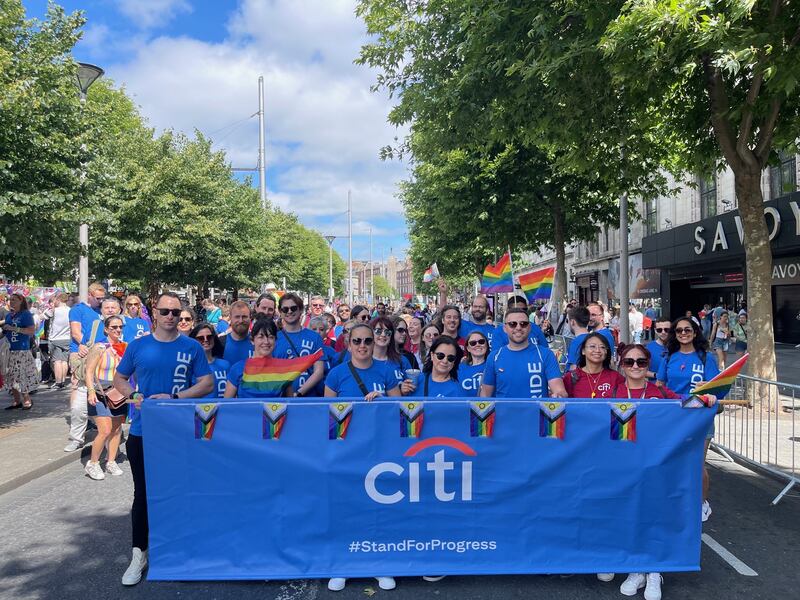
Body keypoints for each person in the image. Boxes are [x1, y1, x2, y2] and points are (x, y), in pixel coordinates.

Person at [113, 291, 213, 586]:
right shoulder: (138, 346)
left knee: (185, 490)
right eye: (166, 311)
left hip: (182, 433)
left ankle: (181, 550)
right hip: (144, 432)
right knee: (143, 495)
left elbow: (206, 383)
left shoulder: (192, 347)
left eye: (176, 313)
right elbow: (120, 378)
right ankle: (139, 554)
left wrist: (175, 397)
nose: (171, 317)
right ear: (153, 312)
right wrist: (133, 395)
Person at [613, 342, 714, 600]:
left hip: (656, 466)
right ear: (622, 365)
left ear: (649, 366)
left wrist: (707, 399)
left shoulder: (659, 390)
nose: (635, 366)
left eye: (641, 362)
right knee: (629, 516)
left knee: (654, 516)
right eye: (629, 362)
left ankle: (655, 570)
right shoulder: (613, 392)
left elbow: (687, 404)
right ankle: (636, 569)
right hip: (623, 467)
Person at [656, 317, 720, 523]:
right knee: (674, 462)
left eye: (688, 329)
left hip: (700, 418)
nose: (683, 333)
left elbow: (717, 389)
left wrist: (708, 386)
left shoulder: (706, 358)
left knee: (697, 464)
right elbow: (660, 385)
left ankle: (702, 504)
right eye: (679, 330)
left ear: (695, 332)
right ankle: (678, 500)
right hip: (675, 418)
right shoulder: (669, 357)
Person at [480, 308, 567, 398]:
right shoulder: (494, 357)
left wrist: (559, 395)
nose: (518, 328)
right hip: (504, 412)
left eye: (523, 324)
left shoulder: (545, 354)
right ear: (505, 328)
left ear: (529, 327)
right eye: (512, 324)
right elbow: (485, 395)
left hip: (536, 412)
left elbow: (559, 389)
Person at [83, 315, 128, 480]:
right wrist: (90, 391)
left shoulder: (124, 347)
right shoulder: (100, 347)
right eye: (113, 327)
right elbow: (88, 371)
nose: (117, 330)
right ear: (106, 329)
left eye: (120, 327)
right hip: (101, 392)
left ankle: (110, 461)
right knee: (105, 430)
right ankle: (93, 463)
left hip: (119, 393)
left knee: (116, 430)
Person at [65, 282, 107, 452]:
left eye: (103, 299)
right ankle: (76, 437)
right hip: (82, 354)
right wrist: (84, 344)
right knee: (79, 394)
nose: (101, 302)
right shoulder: (78, 309)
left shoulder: (103, 311)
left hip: (101, 355)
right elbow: (75, 331)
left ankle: (103, 431)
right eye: (98, 299)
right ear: (89, 295)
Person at [225, 317, 295, 398]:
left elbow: (290, 404)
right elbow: (226, 405)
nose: (266, 342)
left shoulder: (284, 370)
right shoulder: (238, 369)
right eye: (261, 337)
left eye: (271, 337)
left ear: (275, 340)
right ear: (252, 340)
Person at [273, 293, 324, 397]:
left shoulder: (315, 337)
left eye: (293, 308)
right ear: (280, 312)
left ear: (301, 310)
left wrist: (298, 393)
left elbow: (319, 371)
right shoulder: (274, 338)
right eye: (285, 309)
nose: (290, 312)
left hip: (309, 400)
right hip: (281, 401)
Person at [1, 293, 38, 410]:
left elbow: (31, 331)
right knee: (10, 376)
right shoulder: (9, 315)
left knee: (20, 376)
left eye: (14, 300)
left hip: (21, 350)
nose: (11, 302)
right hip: (9, 350)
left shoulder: (26, 314)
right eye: (10, 300)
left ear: (21, 301)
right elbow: (6, 332)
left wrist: (14, 328)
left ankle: (27, 400)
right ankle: (17, 401)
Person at [562, 333, 623, 399]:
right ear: (583, 351)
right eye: (592, 346)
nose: (597, 350)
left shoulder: (616, 378)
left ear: (606, 352)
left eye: (602, 347)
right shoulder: (570, 378)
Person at [189, 323, 229, 398]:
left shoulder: (225, 365)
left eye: (209, 337)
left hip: (222, 408)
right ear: (194, 340)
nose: (206, 340)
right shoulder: (190, 367)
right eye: (201, 338)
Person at [44, 292, 71, 389]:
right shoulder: (70, 310)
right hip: (67, 338)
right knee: (64, 361)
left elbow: (44, 316)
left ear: (58, 300)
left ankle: (58, 382)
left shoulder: (54, 310)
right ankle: (63, 380)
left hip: (55, 338)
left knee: (57, 361)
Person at [309, 315, 339, 396]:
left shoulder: (331, 351)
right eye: (314, 329)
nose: (318, 332)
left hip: (326, 393)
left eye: (321, 329)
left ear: (326, 332)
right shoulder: (304, 350)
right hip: (307, 394)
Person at [458, 330, 489, 397]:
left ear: (486, 345)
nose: (477, 345)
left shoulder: (493, 366)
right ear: (468, 348)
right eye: (473, 343)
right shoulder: (459, 368)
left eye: (481, 342)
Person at [222, 301, 254, 365]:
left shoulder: (258, 342)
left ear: (250, 318)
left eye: (244, 317)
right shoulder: (220, 343)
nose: (241, 321)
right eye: (237, 317)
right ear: (230, 318)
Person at [563, 306, 591, 371]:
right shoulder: (595, 338)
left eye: (567, 321)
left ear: (572, 322)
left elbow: (573, 368)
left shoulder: (576, 342)